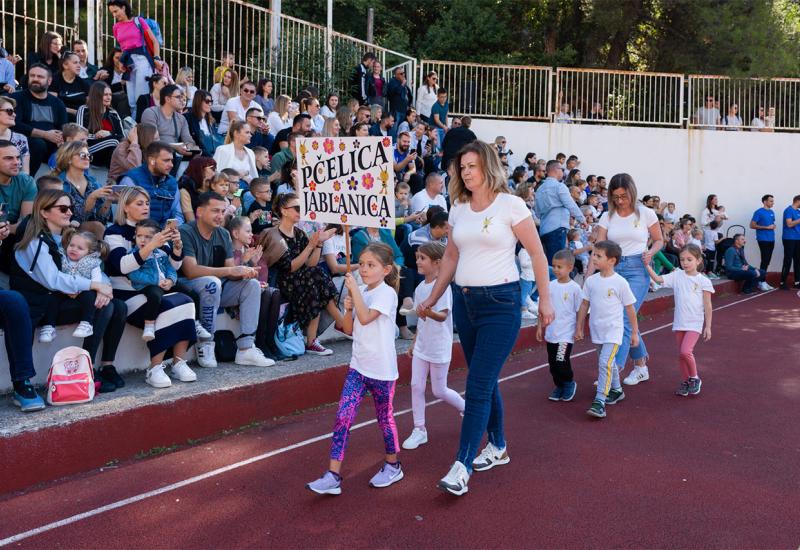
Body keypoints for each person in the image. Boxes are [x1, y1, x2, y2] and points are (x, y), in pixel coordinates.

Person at [416, 141, 553, 497]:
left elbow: (537, 254)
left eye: (472, 166)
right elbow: (449, 256)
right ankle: (499, 445)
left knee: (476, 383)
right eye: (462, 167)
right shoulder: (458, 207)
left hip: (501, 304)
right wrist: (432, 296)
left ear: (488, 166)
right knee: (485, 380)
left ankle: (462, 464)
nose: (466, 172)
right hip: (465, 304)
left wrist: (545, 301)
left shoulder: (511, 205)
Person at [306, 242, 403, 495]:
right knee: (343, 418)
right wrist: (347, 307)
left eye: (371, 265)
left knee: (385, 419)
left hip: (382, 370)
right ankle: (333, 475)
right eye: (361, 264)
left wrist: (355, 297)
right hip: (358, 367)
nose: (364, 269)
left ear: (386, 269)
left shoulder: (386, 293)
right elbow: (349, 328)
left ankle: (393, 465)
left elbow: (367, 317)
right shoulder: (359, 290)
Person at [11, 189, 127, 392]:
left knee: (118, 306)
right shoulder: (34, 240)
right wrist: (93, 286)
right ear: (44, 212)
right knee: (103, 307)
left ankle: (106, 365)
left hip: (56, 299)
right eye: (63, 208)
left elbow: (88, 264)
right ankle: (86, 368)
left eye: (71, 208)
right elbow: (53, 280)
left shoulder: (60, 238)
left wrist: (103, 286)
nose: (70, 213)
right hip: (42, 306)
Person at [104, 187, 200, 387]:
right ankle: (154, 368)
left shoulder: (154, 230)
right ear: (126, 207)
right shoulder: (114, 232)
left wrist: (177, 248)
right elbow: (122, 265)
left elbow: (173, 266)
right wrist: (151, 245)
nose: (145, 207)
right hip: (126, 292)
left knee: (187, 301)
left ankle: (178, 362)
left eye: (147, 203)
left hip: (155, 288)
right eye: (139, 203)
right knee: (166, 308)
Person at [178, 191, 273, 368]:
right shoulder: (185, 231)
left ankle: (246, 349)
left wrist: (244, 271)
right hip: (189, 286)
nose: (220, 216)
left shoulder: (223, 233)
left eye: (222, 211)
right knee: (212, 283)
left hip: (217, 286)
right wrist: (231, 269)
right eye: (215, 211)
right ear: (199, 212)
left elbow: (230, 270)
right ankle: (206, 342)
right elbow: (190, 271)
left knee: (252, 285)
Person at [595, 174, 662, 387]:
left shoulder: (646, 213)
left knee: (623, 317)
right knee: (625, 320)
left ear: (632, 192)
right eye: (615, 197)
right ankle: (641, 367)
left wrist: (651, 252)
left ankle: (613, 368)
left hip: (637, 270)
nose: (620, 201)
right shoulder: (607, 216)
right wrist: (589, 276)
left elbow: (660, 240)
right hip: (612, 269)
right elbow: (599, 247)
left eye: (624, 196)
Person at [262, 192, 345, 355]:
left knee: (315, 274)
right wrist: (310, 246)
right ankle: (341, 324)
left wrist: (319, 244)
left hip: (303, 279)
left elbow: (311, 263)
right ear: (284, 211)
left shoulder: (299, 233)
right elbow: (290, 267)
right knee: (314, 277)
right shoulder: (274, 235)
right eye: (297, 208)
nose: (301, 211)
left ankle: (324, 334)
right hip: (283, 281)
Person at [402, 241, 465, 451]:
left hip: (439, 346)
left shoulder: (443, 288)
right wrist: (414, 342)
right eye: (417, 257)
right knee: (416, 386)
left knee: (439, 390)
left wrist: (428, 312)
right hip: (422, 346)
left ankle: (466, 408)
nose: (418, 261)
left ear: (438, 262)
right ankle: (419, 429)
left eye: (422, 258)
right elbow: (421, 321)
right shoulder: (420, 288)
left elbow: (443, 316)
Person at [575, 241, 638, 419]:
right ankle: (617, 390)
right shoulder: (591, 281)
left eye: (598, 255)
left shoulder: (620, 283)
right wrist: (579, 326)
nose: (593, 258)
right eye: (593, 254)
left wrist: (634, 332)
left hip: (613, 332)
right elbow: (584, 304)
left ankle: (599, 401)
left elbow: (630, 309)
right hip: (597, 330)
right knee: (608, 363)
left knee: (604, 363)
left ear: (612, 261)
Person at [645, 243, 713, 396]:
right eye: (682, 260)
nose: (685, 263)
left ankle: (695, 378)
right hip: (680, 322)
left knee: (685, 351)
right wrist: (646, 265)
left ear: (698, 260)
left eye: (689, 259)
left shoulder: (704, 281)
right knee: (681, 354)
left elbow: (708, 306)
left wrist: (708, 327)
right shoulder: (677, 275)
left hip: (695, 323)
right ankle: (686, 381)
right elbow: (657, 279)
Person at [37, 228, 109, 341]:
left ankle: (86, 323)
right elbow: (56, 276)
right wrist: (65, 289)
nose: (74, 249)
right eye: (72, 245)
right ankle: (49, 327)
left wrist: (79, 290)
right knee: (52, 297)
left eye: (80, 248)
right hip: (63, 290)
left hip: (82, 292)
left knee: (90, 295)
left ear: (89, 252)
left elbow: (96, 282)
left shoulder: (93, 264)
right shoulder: (61, 257)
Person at [537, 249, 581, 402]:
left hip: (566, 334)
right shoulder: (549, 285)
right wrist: (539, 327)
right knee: (553, 363)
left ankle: (568, 383)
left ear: (569, 267)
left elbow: (579, 311)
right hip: (551, 332)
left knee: (561, 360)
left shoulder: (575, 288)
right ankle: (559, 385)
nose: (555, 269)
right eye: (554, 266)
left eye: (559, 267)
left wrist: (579, 329)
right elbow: (542, 306)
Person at [108, 0, 163, 119]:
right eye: (112, 13)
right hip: (129, 64)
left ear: (123, 8)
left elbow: (154, 41)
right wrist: (122, 62)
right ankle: (136, 126)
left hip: (142, 60)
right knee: (131, 100)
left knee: (141, 97)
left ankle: (143, 126)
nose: (114, 15)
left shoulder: (138, 21)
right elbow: (124, 48)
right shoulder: (116, 27)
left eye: (116, 11)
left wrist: (157, 58)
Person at [10, 63, 68, 176]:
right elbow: (15, 125)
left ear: (49, 81)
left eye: (40, 77)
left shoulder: (57, 103)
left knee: (73, 150)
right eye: (32, 76)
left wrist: (60, 139)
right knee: (38, 144)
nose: (35, 79)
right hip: (26, 142)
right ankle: (27, 183)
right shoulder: (17, 98)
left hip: (51, 144)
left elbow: (63, 127)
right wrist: (44, 134)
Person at [53, 141, 113, 235]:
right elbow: (71, 221)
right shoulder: (59, 184)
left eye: (88, 156)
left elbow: (102, 220)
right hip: (66, 230)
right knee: (96, 227)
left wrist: (108, 201)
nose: (87, 158)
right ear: (68, 159)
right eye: (82, 155)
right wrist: (91, 198)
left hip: (94, 231)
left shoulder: (93, 183)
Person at [119, 141, 183, 225]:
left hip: (164, 233)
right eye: (166, 160)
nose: (171, 165)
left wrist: (169, 231)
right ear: (152, 160)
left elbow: (177, 214)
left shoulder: (172, 182)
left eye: (171, 161)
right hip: (136, 233)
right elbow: (125, 214)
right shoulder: (131, 179)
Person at [535, 160, 586, 263]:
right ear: (556, 170)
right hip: (557, 229)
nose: (563, 172)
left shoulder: (539, 189)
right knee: (558, 262)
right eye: (562, 169)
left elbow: (537, 213)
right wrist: (582, 219)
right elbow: (571, 204)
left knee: (550, 262)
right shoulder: (559, 186)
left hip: (544, 229)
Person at [140, 84, 197, 164]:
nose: (182, 100)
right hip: (154, 157)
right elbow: (150, 142)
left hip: (174, 157)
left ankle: (180, 175)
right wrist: (174, 147)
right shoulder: (151, 113)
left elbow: (188, 140)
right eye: (178, 97)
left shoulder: (181, 118)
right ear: (167, 99)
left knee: (197, 154)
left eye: (182, 97)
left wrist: (190, 148)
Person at [75, 81, 124, 167]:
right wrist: (96, 136)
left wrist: (109, 134)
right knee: (115, 141)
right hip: (89, 149)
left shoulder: (113, 113)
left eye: (110, 95)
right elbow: (78, 136)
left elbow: (122, 137)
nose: (109, 97)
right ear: (96, 95)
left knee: (118, 144)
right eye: (105, 95)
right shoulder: (84, 110)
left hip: (109, 150)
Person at [0, 140, 35, 237]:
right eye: (9, 158)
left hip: (13, 235)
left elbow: (28, 222)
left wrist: (6, 229)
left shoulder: (25, 181)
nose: (16, 162)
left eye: (18, 158)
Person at [50, 51, 91, 120]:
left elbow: (91, 104)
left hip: (80, 118)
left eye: (79, 62)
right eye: (75, 63)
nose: (79, 66)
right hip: (61, 117)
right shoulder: (54, 80)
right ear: (65, 65)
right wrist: (76, 112)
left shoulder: (82, 83)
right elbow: (52, 104)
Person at [178, 155, 216, 223]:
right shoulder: (185, 190)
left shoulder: (214, 187)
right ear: (201, 169)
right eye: (213, 169)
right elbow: (190, 220)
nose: (215, 172)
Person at [184, 90, 222, 157]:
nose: (210, 104)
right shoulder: (188, 118)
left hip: (211, 154)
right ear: (199, 101)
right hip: (197, 155)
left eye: (211, 101)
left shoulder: (211, 120)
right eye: (207, 101)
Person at [0, 97, 30, 174]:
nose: (14, 115)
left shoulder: (21, 139)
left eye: (14, 111)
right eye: (9, 111)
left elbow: (25, 174)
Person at [750, 194, 776, 285]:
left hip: (771, 238)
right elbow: (752, 225)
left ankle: (762, 280)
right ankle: (761, 281)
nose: (773, 202)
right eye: (771, 201)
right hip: (763, 238)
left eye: (773, 201)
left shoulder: (772, 212)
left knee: (767, 260)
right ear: (765, 202)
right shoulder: (758, 212)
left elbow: (772, 224)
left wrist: (773, 226)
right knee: (764, 259)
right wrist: (766, 227)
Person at [780, 195, 800, 290]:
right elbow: (789, 224)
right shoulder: (788, 210)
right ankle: (782, 282)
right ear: (798, 201)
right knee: (788, 260)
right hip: (789, 238)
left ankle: (797, 282)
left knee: (798, 260)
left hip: (797, 238)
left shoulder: (798, 211)